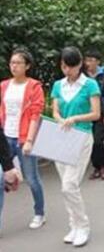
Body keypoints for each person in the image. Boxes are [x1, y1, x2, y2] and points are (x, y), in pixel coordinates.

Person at [51, 46, 101, 247]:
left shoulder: (90, 85)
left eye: (71, 67)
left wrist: (75, 118)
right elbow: (54, 110)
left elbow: (96, 113)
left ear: (80, 64)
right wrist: (60, 118)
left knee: (69, 185)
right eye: (64, 66)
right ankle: (73, 225)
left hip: (81, 136)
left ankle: (83, 225)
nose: (67, 71)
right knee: (66, 185)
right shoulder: (57, 85)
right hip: (61, 137)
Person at [0, 48, 46, 229]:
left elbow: (35, 115)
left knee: (31, 178)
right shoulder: (3, 86)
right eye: (12, 62)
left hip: (23, 137)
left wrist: (29, 140)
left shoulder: (34, 87)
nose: (14, 66)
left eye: (18, 63)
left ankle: (39, 212)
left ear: (27, 66)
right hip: (4, 137)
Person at [84, 49, 104, 181]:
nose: (88, 63)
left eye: (91, 60)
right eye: (86, 60)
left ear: (98, 62)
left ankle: (103, 166)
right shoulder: (82, 75)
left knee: (97, 140)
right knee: (90, 141)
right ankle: (96, 167)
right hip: (86, 114)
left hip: (100, 113)